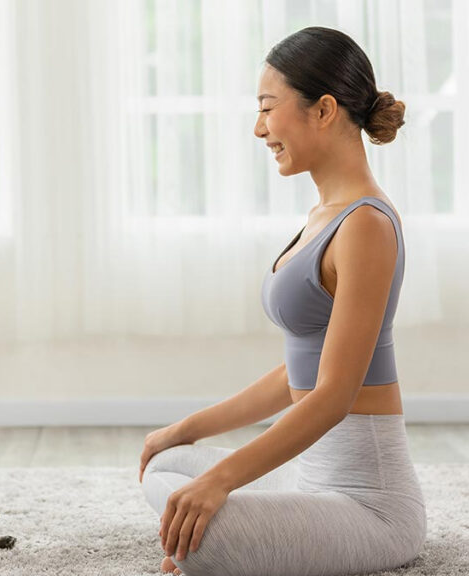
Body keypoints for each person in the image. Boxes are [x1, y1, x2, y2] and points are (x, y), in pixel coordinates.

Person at [139, 27, 426, 576]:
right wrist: (187, 428)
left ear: (323, 109)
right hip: (310, 476)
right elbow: (297, 373)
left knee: (200, 528)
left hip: (369, 505)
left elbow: (334, 394)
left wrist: (221, 481)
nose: (258, 128)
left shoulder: (365, 223)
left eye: (267, 109)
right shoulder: (326, 214)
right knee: (169, 464)